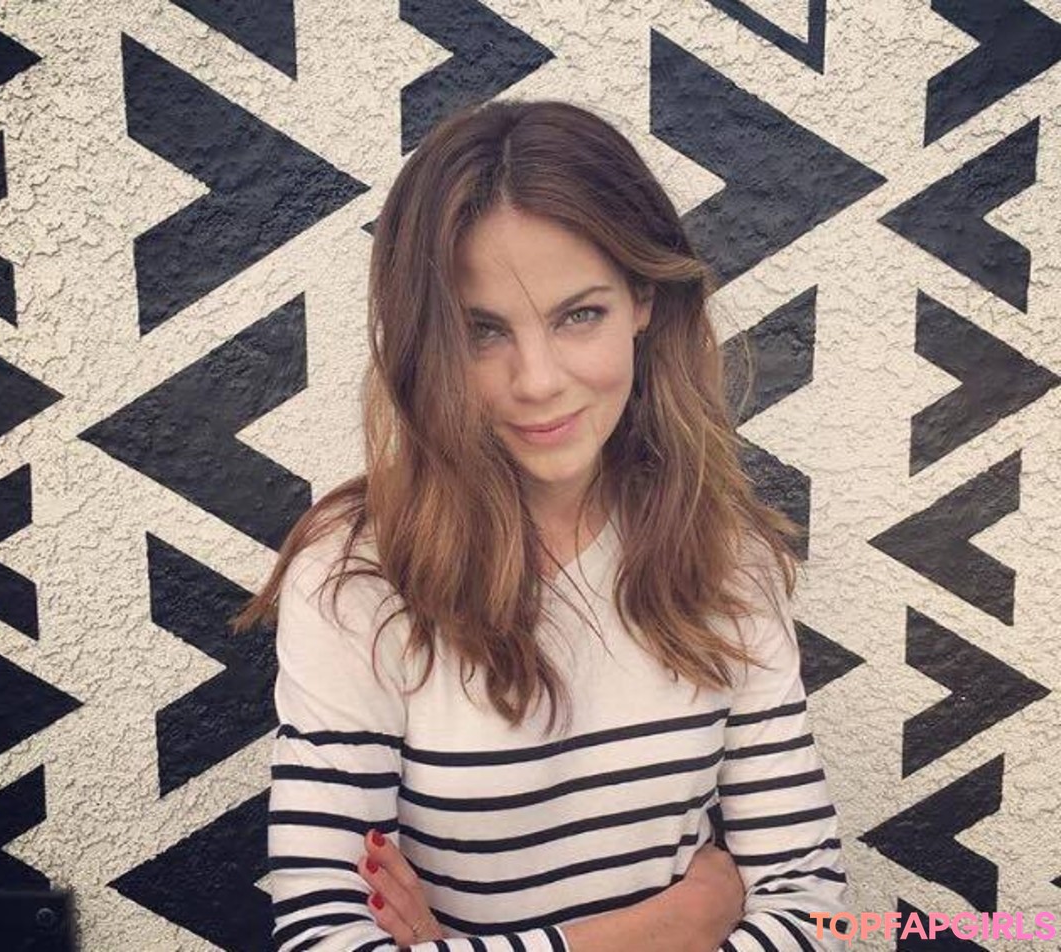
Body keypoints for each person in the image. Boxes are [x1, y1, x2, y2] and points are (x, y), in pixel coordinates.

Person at [232, 98, 849, 952]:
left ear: (643, 298)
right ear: (425, 342)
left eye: (579, 315)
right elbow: (321, 940)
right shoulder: (360, 577)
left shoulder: (725, 557)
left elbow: (819, 910)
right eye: (481, 331)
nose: (537, 381)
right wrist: (674, 925)